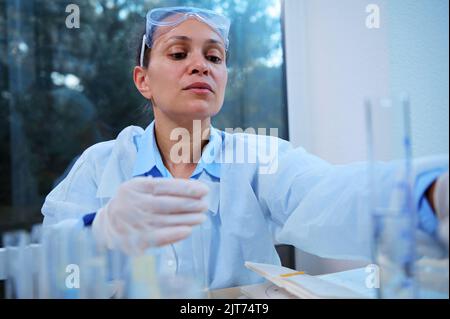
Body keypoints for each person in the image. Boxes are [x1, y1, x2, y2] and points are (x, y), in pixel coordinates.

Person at [41, 6, 449, 290]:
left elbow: (331, 193)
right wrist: (100, 230)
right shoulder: (101, 163)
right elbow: (47, 262)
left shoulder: (258, 159)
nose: (201, 65)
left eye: (214, 56)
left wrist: (430, 195)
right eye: (179, 52)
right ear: (142, 79)